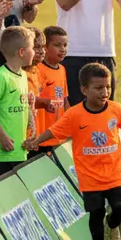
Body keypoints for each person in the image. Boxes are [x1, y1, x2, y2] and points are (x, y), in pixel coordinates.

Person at [26, 62, 121, 240]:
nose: (105, 92)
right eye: (99, 88)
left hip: (114, 172)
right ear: (84, 90)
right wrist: (36, 140)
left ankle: (113, 224)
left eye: (108, 87)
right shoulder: (75, 114)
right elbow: (54, 130)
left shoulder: (115, 109)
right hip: (89, 175)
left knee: (120, 206)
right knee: (96, 211)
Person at [0, 25, 35, 184]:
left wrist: (31, 129)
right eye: (32, 48)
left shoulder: (23, 75)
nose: (34, 52)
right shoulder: (1, 77)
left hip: (18, 148)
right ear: (21, 52)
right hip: (1, 152)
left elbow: (23, 106)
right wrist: (2, 136)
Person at [34, 26, 69, 157]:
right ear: (45, 48)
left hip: (58, 135)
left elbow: (64, 100)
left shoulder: (62, 69)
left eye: (65, 45)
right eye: (57, 45)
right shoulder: (37, 69)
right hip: (41, 136)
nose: (63, 49)